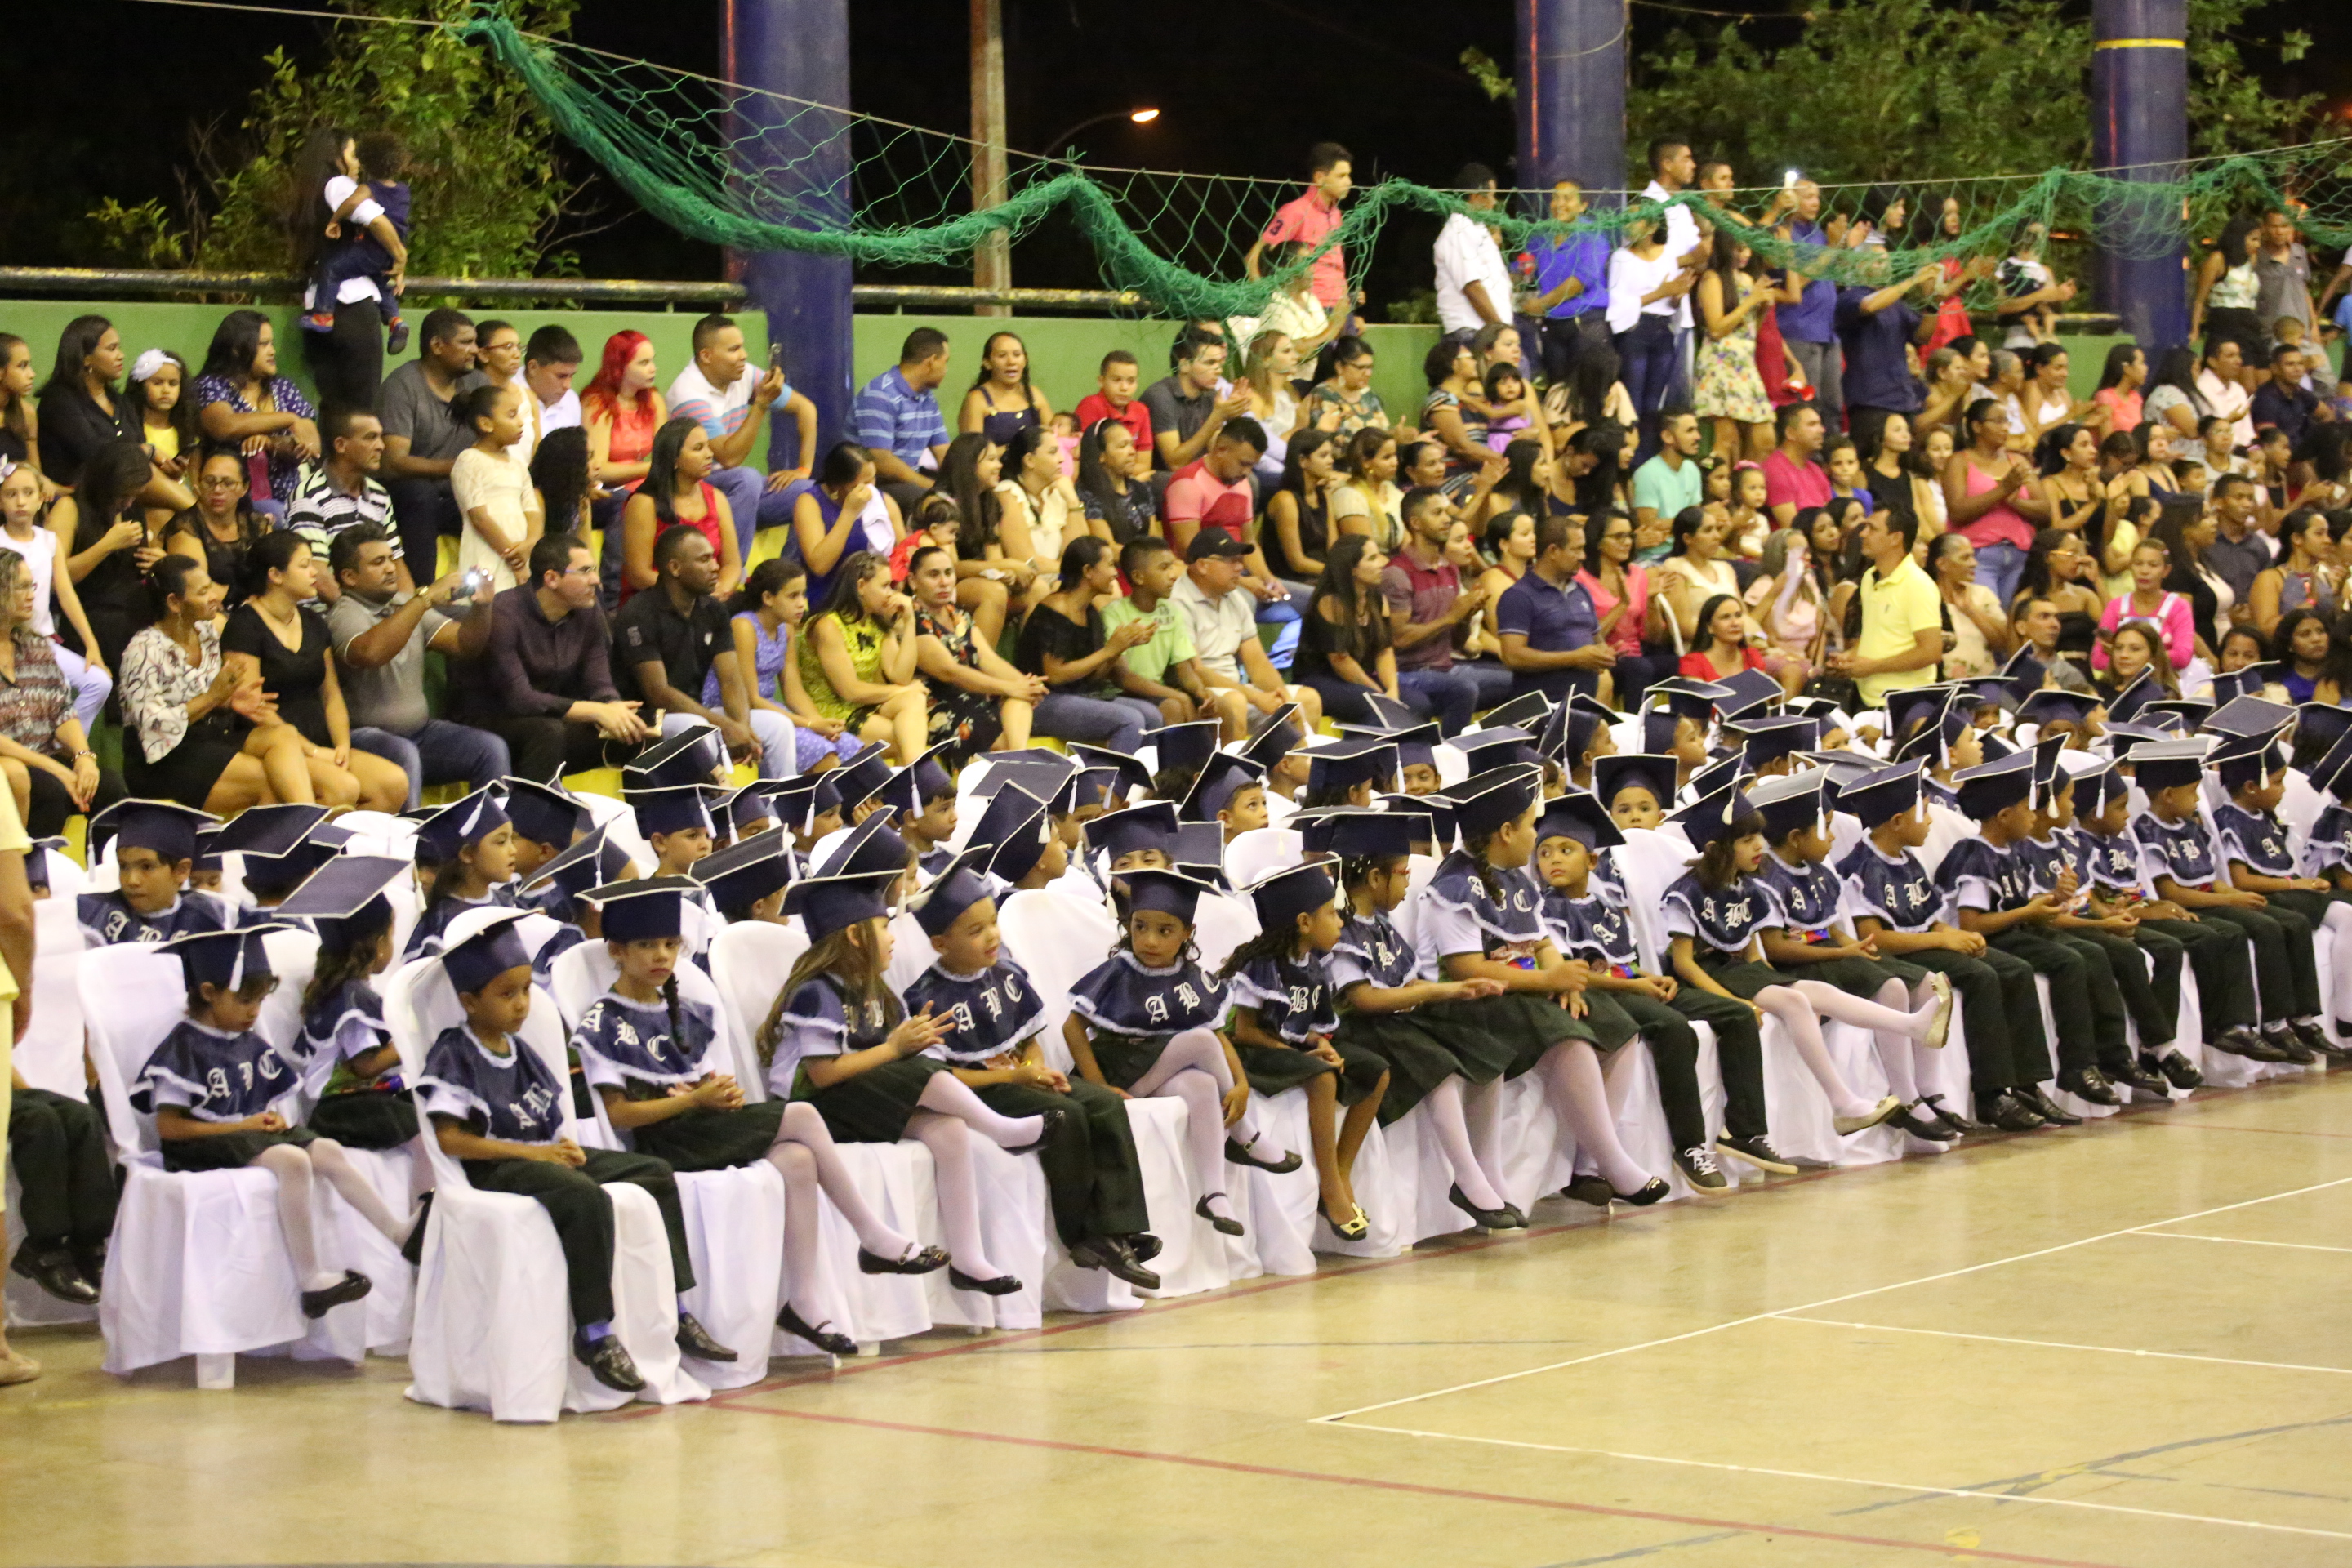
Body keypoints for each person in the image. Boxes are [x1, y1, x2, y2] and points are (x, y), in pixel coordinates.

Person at [572, 877, 954, 1355]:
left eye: (670, 945)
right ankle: (872, 1234)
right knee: (801, 1115)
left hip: (703, 1124)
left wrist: (718, 1095)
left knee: (797, 1160)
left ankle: (805, 1301)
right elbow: (621, 1115)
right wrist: (694, 1101)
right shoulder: (604, 1021)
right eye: (646, 945)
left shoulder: (684, 1010)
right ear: (616, 950)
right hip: (666, 1141)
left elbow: (704, 1086)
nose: (661, 957)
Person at [420, 910, 730, 1391]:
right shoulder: (453, 1051)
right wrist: (535, 1156)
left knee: (652, 1171)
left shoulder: (517, 1048)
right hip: (495, 1167)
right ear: (469, 1001)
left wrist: (558, 1147)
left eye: (525, 990)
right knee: (584, 1197)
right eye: (507, 995)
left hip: (539, 1157)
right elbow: (450, 1139)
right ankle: (595, 1332)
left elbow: (544, 1116)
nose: (522, 1005)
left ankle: (678, 1308)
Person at [134, 926, 421, 1326]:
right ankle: (311, 1280)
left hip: (243, 1134)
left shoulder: (243, 1037)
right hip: (198, 1147)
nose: (254, 1012)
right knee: (292, 1160)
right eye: (245, 1000)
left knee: (327, 1151)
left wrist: (264, 1121)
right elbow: (170, 1129)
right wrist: (237, 1129)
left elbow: (255, 1100)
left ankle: (397, 1233)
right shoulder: (183, 1049)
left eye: (259, 1001)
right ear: (208, 991)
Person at [220, 532, 407, 812]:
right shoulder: (244, 625)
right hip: (273, 743)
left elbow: (330, 693)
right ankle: (313, 850)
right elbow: (255, 707)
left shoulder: (313, 621)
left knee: (394, 783)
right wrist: (312, 750)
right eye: (305, 565)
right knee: (343, 787)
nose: (314, 573)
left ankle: (353, 853)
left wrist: (342, 745)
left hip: (321, 739)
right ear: (276, 575)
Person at [325, 523, 506, 810]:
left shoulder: (404, 604)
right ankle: (412, 848)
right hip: (365, 738)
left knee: (489, 748)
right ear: (349, 577)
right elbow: (370, 653)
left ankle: (490, 839)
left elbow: (464, 644)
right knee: (403, 752)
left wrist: (483, 607)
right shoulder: (345, 612)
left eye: (390, 559)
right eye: (377, 562)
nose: (390, 568)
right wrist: (424, 599)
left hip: (420, 733)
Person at [458, 533, 651, 782]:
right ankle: (534, 816)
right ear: (551, 578)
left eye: (594, 570)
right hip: (491, 722)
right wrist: (595, 710)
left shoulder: (588, 610)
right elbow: (520, 699)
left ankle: (655, 819)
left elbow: (599, 682)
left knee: (637, 731)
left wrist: (612, 706)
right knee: (547, 731)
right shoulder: (504, 614)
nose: (595, 580)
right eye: (584, 571)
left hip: (551, 719)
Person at [612, 526, 795, 779]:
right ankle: (717, 810)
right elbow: (658, 693)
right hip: (644, 719)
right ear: (675, 568)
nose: (716, 567)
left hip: (695, 712)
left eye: (714, 557)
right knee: (697, 728)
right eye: (704, 559)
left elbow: (731, 679)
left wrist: (741, 728)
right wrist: (725, 727)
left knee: (778, 726)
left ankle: (779, 812)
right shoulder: (638, 613)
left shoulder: (713, 610)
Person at [118, 555, 285, 813]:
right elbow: (152, 726)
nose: (216, 597)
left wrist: (229, 700)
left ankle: (307, 833)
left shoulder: (206, 632)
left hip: (206, 739)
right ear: (175, 602)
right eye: (204, 592)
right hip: (163, 760)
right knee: (268, 780)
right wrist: (211, 698)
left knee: (282, 737)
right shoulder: (143, 651)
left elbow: (211, 697)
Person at [666, 314, 813, 552]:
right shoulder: (688, 394)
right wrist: (761, 404)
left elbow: (806, 409)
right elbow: (729, 458)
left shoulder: (743, 374)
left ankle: (784, 578)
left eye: (742, 347)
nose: (743, 355)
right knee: (746, 479)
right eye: (734, 349)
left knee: (812, 495)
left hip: (740, 491)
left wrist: (803, 470)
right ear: (706, 356)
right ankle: (731, 573)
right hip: (697, 486)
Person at [0, 548, 114, 835]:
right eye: (22, 586)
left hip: (44, 758)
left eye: (32, 586)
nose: (31, 595)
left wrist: (83, 757)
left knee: (109, 787)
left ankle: (104, 873)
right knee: (50, 791)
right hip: (13, 762)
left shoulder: (35, 645)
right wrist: (56, 768)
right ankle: (38, 875)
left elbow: (62, 710)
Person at [1015, 537, 1162, 754]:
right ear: (1088, 571)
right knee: (1130, 720)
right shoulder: (1054, 609)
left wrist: (1119, 648)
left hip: (1080, 695)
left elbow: (1095, 676)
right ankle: (1108, 786)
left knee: (1152, 715)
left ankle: (1142, 785)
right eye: (1110, 565)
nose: (1115, 573)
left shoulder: (1090, 612)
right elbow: (1054, 675)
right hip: (1041, 700)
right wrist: (1109, 650)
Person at [1170, 532, 1324, 738]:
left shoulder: (1234, 598)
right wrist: (1256, 698)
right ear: (1202, 565)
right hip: (1199, 694)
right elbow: (1196, 671)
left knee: (1308, 700)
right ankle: (1230, 771)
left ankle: (1292, 769)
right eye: (1230, 561)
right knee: (1235, 703)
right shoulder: (1178, 602)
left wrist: (1282, 696)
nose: (1240, 568)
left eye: (1240, 561)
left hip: (1238, 690)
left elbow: (1257, 662)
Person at [1381, 486, 1507, 732]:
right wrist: (1451, 616)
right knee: (1464, 689)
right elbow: (1397, 638)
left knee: (1523, 681)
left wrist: (1465, 617)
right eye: (1437, 513)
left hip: (1445, 667)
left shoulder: (1449, 569)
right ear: (1415, 523)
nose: (1447, 519)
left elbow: (1457, 642)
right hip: (1406, 672)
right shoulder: (1397, 574)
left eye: (1446, 512)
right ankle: (1449, 756)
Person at [0, 459, 109, 735]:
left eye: (28, 493)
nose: (20, 502)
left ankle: (65, 745)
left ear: (41, 498)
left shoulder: (49, 541)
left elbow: (66, 593)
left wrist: (91, 644)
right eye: (11, 494)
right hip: (6, 643)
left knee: (99, 683)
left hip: (42, 642)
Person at [796, 547, 929, 764]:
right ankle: (918, 780)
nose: (891, 593)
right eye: (885, 586)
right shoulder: (827, 625)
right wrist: (904, 689)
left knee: (914, 700)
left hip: (865, 706)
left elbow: (901, 676)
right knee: (904, 738)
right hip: (833, 712)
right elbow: (849, 690)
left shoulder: (874, 623)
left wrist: (910, 621)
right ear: (860, 586)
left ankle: (915, 780)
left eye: (892, 586)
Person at [377, 308, 481, 582]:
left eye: (475, 342)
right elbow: (393, 461)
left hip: (458, 494)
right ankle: (422, 597)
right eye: (465, 342)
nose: (475, 350)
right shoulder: (402, 386)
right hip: (411, 496)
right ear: (437, 345)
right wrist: (457, 467)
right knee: (418, 493)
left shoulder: (477, 384)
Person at [907, 543, 1039, 760]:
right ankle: (1019, 762)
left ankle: (1019, 759)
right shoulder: (911, 620)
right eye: (933, 575)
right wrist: (1011, 687)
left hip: (976, 696)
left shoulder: (958, 615)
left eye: (948, 573)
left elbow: (988, 659)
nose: (944, 582)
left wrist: (1026, 685)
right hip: (941, 706)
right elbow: (949, 671)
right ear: (913, 581)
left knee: (1019, 700)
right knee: (999, 718)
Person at [51, 439, 168, 675]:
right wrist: (105, 546)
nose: (128, 503)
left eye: (135, 496)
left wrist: (160, 562)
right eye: (123, 495)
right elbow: (56, 579)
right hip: (90, 612)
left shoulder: (132, 511)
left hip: (133, 607)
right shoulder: (69, 508)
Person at [616, 415, 743, 608]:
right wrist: (692, 592)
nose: (709, 454)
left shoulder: (717, 498)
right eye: (698, 448)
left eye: (708, 446)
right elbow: (638, 575)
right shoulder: (644, 503)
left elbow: (732, 564)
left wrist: (722, 589)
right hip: (656, 605)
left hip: (708, 601)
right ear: (674, 459)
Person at [283, 405, 403, 603]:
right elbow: (319, 576)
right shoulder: (310, 497)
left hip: (375, 611)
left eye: (381, 437)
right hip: (332, 612)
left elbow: (397, 562)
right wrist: (364, 618)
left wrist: (413, 611)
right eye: (370, 437)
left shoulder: (380, 495)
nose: (381, 446)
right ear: (340, 445)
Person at [1606, 213, 1698, 463]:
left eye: (1635, 219)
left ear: (1652, 225)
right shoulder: (1621, 257)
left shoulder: (1668, 255)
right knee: (1632, 399)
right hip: (1634, 330)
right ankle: (1627, 458)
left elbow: (1672, 300)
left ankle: (1647, 458)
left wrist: (1677, 294)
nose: (1627, 223)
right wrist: (1661, 292)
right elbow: (1617, 302)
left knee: (1653, 403)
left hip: (1662, 330)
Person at [1829, 506, 1940, 709]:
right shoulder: (1869, 578)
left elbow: (1931, 652)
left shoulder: (1918, 585)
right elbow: (1878, 634)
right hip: (1866, 696)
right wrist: (1851, 656)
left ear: (1895, 538)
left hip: (1905, 702)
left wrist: (1872, 667)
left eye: (1872, 529)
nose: (1862, 534)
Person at [1496, 512, 1610, 702]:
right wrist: (1575, 658)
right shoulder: (1518, 596)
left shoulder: (1580, 591)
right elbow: (1513, 656)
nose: (1583, 556)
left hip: (1584, 701)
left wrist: (1605, 656)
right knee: (1601, 732)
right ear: (1553, 551)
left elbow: (1598, 642)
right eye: (1577, 549)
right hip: (1544, 706)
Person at [1294, 533, 1402, 725]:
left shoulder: (1377, 599)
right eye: (1372, 558)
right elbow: (1340, 660)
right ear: (1352, 569)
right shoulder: (1331, 602)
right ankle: (1363, 752)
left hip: (1360, 677)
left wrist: (1392, 689)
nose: (1382, 563)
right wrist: (1378, 692)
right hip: (1321, 678)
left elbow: (1384, 650)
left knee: (1418, 703)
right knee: (1372, 704)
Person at [581, 329, 666, 572]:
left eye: (653, 361)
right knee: (629, 503)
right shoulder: (598, 403)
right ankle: (612, 590)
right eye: (644, 363)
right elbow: (598, 470)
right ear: (621, 367)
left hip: (644, 485)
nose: (653, 369)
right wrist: (651, 468)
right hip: (608, 492)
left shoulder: (653, 401)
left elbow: (665, 451)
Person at [1941, 399, 2039, 608]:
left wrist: (2013, 501)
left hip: (2019, 554)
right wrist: (2003, 490)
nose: (2005, 428)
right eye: (1998, 421)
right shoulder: (1959, 462)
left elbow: (2045, 510)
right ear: (1977, 426)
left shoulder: (2018, 462)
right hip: (1978, 555)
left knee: (2014, 626)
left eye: (2007, 422)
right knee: (1986, 620)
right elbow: (1957, 512)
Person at [849, 327, 953, 510]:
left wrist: (962, 483)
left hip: (908, 481)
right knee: (937, 506)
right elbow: (881, 461)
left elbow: (943, 450)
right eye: (945, 362)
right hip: (873, 483)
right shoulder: (880, 395)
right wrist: (932, 487)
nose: (946, 370)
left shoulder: (927, 397)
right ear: (930, 363)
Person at [1246, 140, 1355, 315]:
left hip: (1341, 305)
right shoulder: (1295, 212)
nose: (1349, 182)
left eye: (1349, 175)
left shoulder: (1337, 215)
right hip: (1311, 307)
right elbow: (1254, 256)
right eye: (1341, 176)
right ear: (1320, 178)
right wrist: (1266, 299)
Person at [1837, 261, 1939, 430]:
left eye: (1887, 262)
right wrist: (1913, 280)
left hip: (1902, 397)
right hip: (1869, 398)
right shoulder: (1850, 296)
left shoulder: (1896, 304)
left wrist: (1933, 303)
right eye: (1879, 262)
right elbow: (1870, 305)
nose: (1886, 266)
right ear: (1861, 266)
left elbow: (1922, 336)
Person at [1774, 180, 1844, 421]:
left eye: (1817, 197)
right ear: (1791, 199)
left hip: (1828, 331)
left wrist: (1845, 245)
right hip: (1800, 330)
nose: (1816, 203)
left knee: (1833, 404)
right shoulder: (1782, 234)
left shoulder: (1818, 232)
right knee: (1806, 406)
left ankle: (1830, 456)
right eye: (1809, 197)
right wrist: (1833, 247)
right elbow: (1798, 283)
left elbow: (1832, 274)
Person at [1143, 329, 1250, 474]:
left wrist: (1232, 418)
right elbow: (1175, 463)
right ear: (1185, 365)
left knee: (1247, 480)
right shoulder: (1160, 396)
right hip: (1163, 477)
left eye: (1219, 363)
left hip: (1199, 471)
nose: (1218, 370)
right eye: (1210, 363)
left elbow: (1217, 453)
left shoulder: (1209, 394)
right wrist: (1216, 418)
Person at [1742, 526, 1825, 693]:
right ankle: (1786, 716)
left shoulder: (1809, 582)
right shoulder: (1763, 585)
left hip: (1804, 657)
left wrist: (1818, 663)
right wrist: (1773, 593)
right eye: (1798, 552)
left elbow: (1820, 633)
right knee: (1792, 670)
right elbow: (1753, 630)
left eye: (1807, 551)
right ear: (1780, 555)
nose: (1807, 557)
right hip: (1772, 654)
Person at [1434, 163, 1512, 336]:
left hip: (1488, 331)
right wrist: (1499, 331)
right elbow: (1472, 286)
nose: (1493, 203)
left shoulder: (1476, 228)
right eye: (1491, 196)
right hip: (1473, 332)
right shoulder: (1458, 231)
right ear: (1476, 196)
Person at [1651, 504, 1740, 650]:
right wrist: (1729, 636)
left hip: (1735, 647)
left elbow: (1745, 617)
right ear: (1687, 538)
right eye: (1708, 530)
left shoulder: (1725, 568)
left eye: (1717, 529)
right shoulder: (1676, 567)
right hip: (1702, 651)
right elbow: (1682, 627)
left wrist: (1758, 637)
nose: (1717, 536)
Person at [1926, 532, 2011, 679]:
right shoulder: (1925, 597)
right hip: (1938, 683)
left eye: (1972, 556)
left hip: (1983, 685)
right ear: (1942, 564)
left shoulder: (1981, 595)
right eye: (1965, 557)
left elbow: (2005, 642)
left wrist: (1972, 611)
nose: (1974, 563)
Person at [957, 330, 1053, 448]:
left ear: (1025, 360)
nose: (1011, 361)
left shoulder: (1034, 394)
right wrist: (1017, 450)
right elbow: (973, 453)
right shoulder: (977, 399)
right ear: (987, 363)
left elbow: (1054, 440)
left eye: (1017, 355)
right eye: (1002, 356)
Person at [1631, 407, 1706, 541]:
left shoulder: (1692, 469)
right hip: (1655, 556)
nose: (1698, 437)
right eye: (1690, 431)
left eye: (1697, 430)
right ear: (1668, 437)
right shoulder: (1648, 474)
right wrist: (1703, 516)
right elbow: (1648, 527)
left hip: (1687, 550)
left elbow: (1696, 522)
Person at [1995, 222, 2074, 348]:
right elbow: (2001, 305)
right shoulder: (2009, 269)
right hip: (2018, 336)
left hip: (2042, 333)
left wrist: (2061, 294)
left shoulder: (2044, 271)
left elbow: (2054, 304)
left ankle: (2047, 336)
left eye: (2042, 236)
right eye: (2035, 236)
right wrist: (2039, 296)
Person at [1298, 336, 1389, 441]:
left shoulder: (1368, 394)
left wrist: (1396, 435)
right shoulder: (1323, 396)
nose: (1368, 373)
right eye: (1360, 368)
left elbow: (1384, 432)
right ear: (1339, 367)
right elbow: (1328, 443)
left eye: (1370, 367)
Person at [1762, 403, 1831, 528]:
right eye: (1812, 424)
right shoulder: (1775, 469)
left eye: (1820, 424)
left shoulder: (1815, 469)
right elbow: (1792, 528)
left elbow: (1830, 519)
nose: (1822, 430)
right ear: (1790, 433)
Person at [1071, 349, 1152, 456]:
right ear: (1101, 381)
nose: (1124, 388)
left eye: (1131, 381)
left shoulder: (1141, 411)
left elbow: (1144, 464)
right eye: (1116, 380)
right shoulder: (1091, 406)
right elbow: (1087, 460)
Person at [524, 325, 583, 437]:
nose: (568, 386)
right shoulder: (506, 397)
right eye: (561, 376)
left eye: (571, 376)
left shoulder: (571, 399)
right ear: (533, 368)